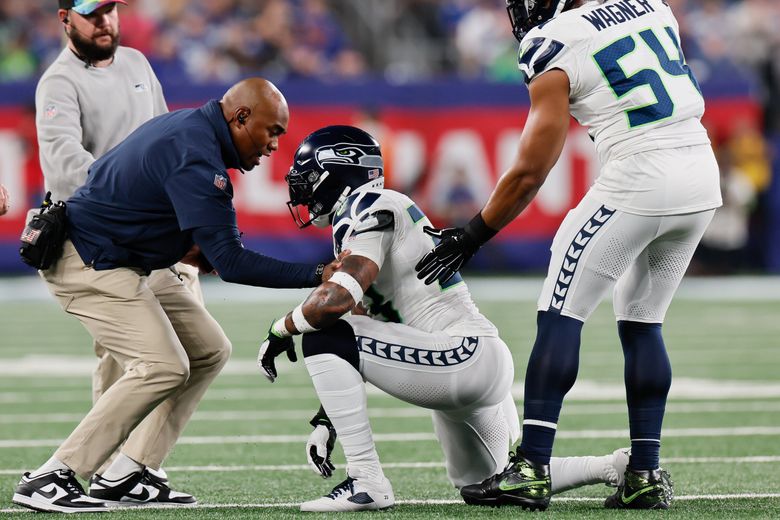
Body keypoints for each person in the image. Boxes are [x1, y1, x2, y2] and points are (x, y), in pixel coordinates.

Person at [415, 0, 720, 511]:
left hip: (639, 174)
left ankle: (531, 468)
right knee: (643, 320)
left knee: (561, 311)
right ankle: (644, 471)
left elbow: (533, 168)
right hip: (699, 172)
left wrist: (473, 234)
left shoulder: (554, 40)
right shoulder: (652, 7)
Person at [258, 125, 632, 513]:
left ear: (339, 170)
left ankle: (366, 480)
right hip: (473, 358)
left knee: (319, 333)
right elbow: (360, 320)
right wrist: (328, 418)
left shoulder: (369, 206)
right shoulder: (368, 213)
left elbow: (339, 300)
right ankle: (613, 466)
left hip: (461, 355)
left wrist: (281, 327)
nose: (301, 191)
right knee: (485, 484)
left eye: (308, 179)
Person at [12, 77, 343, 514]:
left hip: (124, 256)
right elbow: (232, 263)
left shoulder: (190, 129)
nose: (273, 147)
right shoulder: (197, 157)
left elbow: (110, 178)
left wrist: (167, 240)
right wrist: (321, 274)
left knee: (209, 349)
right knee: (163, 365)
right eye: (272, 132)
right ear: (240, 117)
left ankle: (129, 471)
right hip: (89, 260)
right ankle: (53, 475)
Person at [34, 0, 191, 491]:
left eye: (110, 9)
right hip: (97, 237)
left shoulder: (137, 64)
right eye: (91, 13)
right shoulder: (58, 82)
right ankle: (101, 468)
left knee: (196, 351)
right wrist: (134, 195)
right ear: (65, 20)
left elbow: (166, 139)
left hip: (154, 236)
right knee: (135, 357)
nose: (105, 21)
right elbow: (65, 166)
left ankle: (130, 466)